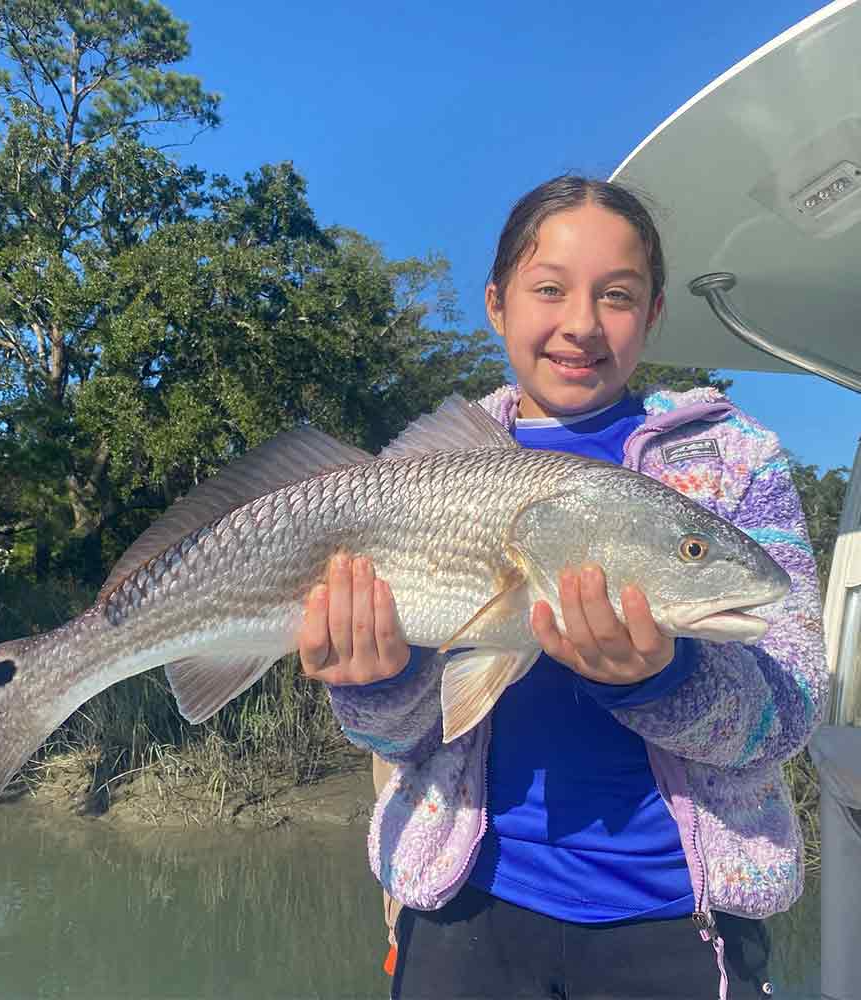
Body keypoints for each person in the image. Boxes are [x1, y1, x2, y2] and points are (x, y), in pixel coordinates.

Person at [298, 175, 827, 1000]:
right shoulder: (425, 477)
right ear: (496, 303)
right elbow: (397, 737)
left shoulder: (737, 460)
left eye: (617, 296)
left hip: (678, 925)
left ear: (653, 314)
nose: (581, 323)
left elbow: (790, 711)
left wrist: (667, 680)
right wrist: (379, 683)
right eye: (549, 289)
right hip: (464, 908)